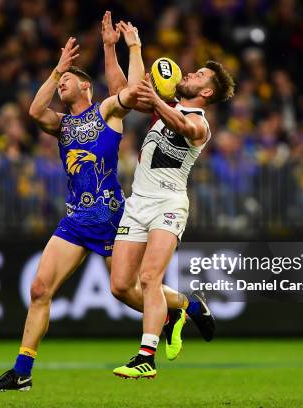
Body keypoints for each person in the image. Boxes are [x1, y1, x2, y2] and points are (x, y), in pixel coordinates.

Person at [0, 17, 146, 392]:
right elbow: (34, 112)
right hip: (74, 221)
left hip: (110, 218)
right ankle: (22, 371)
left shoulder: (106, 112)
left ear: (86, 86)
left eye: (67, 80)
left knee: (127, 291)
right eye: (59, 81)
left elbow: (132, 89)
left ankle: (180, 307)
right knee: (40, 289)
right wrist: (58, 67)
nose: (61, 85)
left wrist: (111, 47)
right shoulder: (62, 125)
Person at [110, 61, 235, 379]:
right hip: (137, 203)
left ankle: (145, 357)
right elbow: (119, 94)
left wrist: (155, 100)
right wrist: (118, 47)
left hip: (169, 205)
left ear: (206, 92)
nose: (190, 73)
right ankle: (185, 307)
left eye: (200, 76)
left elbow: (184, 126)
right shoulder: (163, 105)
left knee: (150, 278)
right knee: (121, 286)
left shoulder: (200, 124)